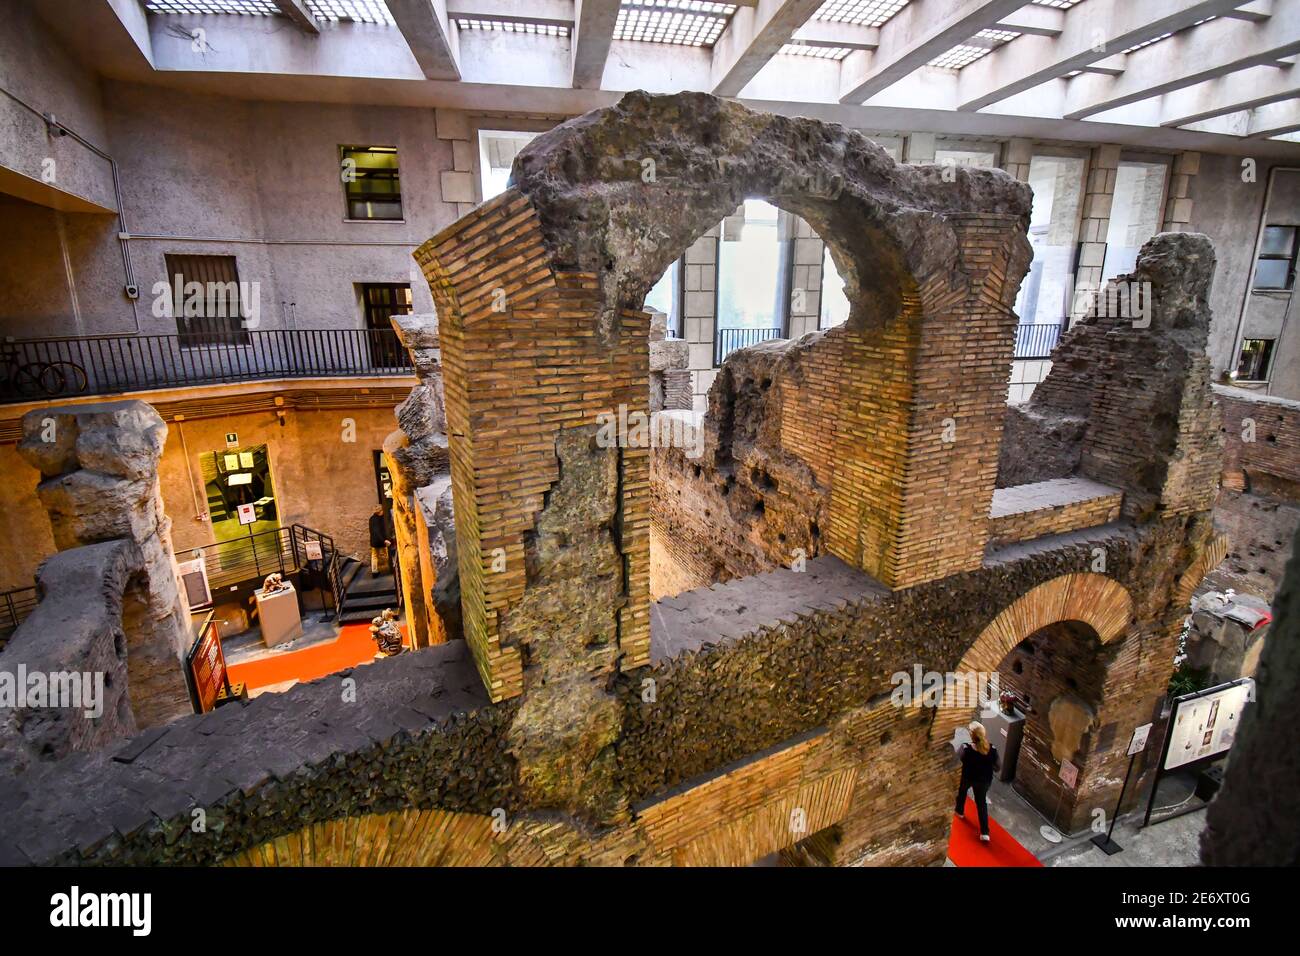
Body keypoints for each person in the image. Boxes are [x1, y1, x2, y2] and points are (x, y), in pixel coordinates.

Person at [955, 720, 1000, 842]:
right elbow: (997, 768)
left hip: (967, 777)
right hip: (984, 781)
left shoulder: (966, 748)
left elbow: (957, 760)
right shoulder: (992, 749)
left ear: (971, 734)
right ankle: (985, 832)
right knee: (981, 803)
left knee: (962, 792)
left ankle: (959, 811)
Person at [368, 505, 392, 577]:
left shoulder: (371, 518)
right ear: (379, 511)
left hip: (374, 540)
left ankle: (374, 571)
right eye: (382, 511)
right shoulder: (378, 519)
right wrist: (384, 540)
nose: (383, 512)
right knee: (385, 554)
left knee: (374, 556)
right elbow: (377, 531)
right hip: (380, 540)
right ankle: (388, 569)